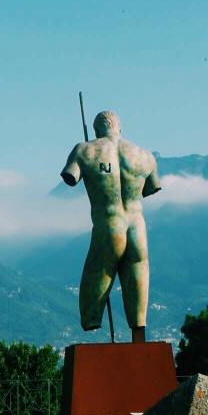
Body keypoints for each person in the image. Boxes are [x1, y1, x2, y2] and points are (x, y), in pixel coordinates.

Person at [60, 110, 160, 342]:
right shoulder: (144, 155)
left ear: (96, 130)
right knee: (138, 270)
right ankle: (138, 327)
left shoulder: (85, 149)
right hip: (138, 227)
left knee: (97, 271)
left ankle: (92, 320)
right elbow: (151, 188)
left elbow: (71, 177)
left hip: (109, 226)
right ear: (120, 129)